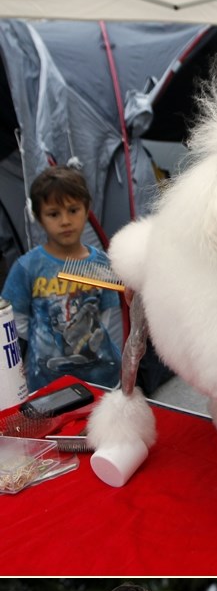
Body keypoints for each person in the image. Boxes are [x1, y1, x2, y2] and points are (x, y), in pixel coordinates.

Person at [2, 148, 127, 410]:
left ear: (86, 209)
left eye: (73, 210)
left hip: (102, 376)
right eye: (54, 214)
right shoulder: (28, 266)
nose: (65, 221)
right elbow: (16, 321)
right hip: (47, 380)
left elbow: (108, 314)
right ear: (38, 217)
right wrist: (43, 340)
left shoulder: (101, 262)